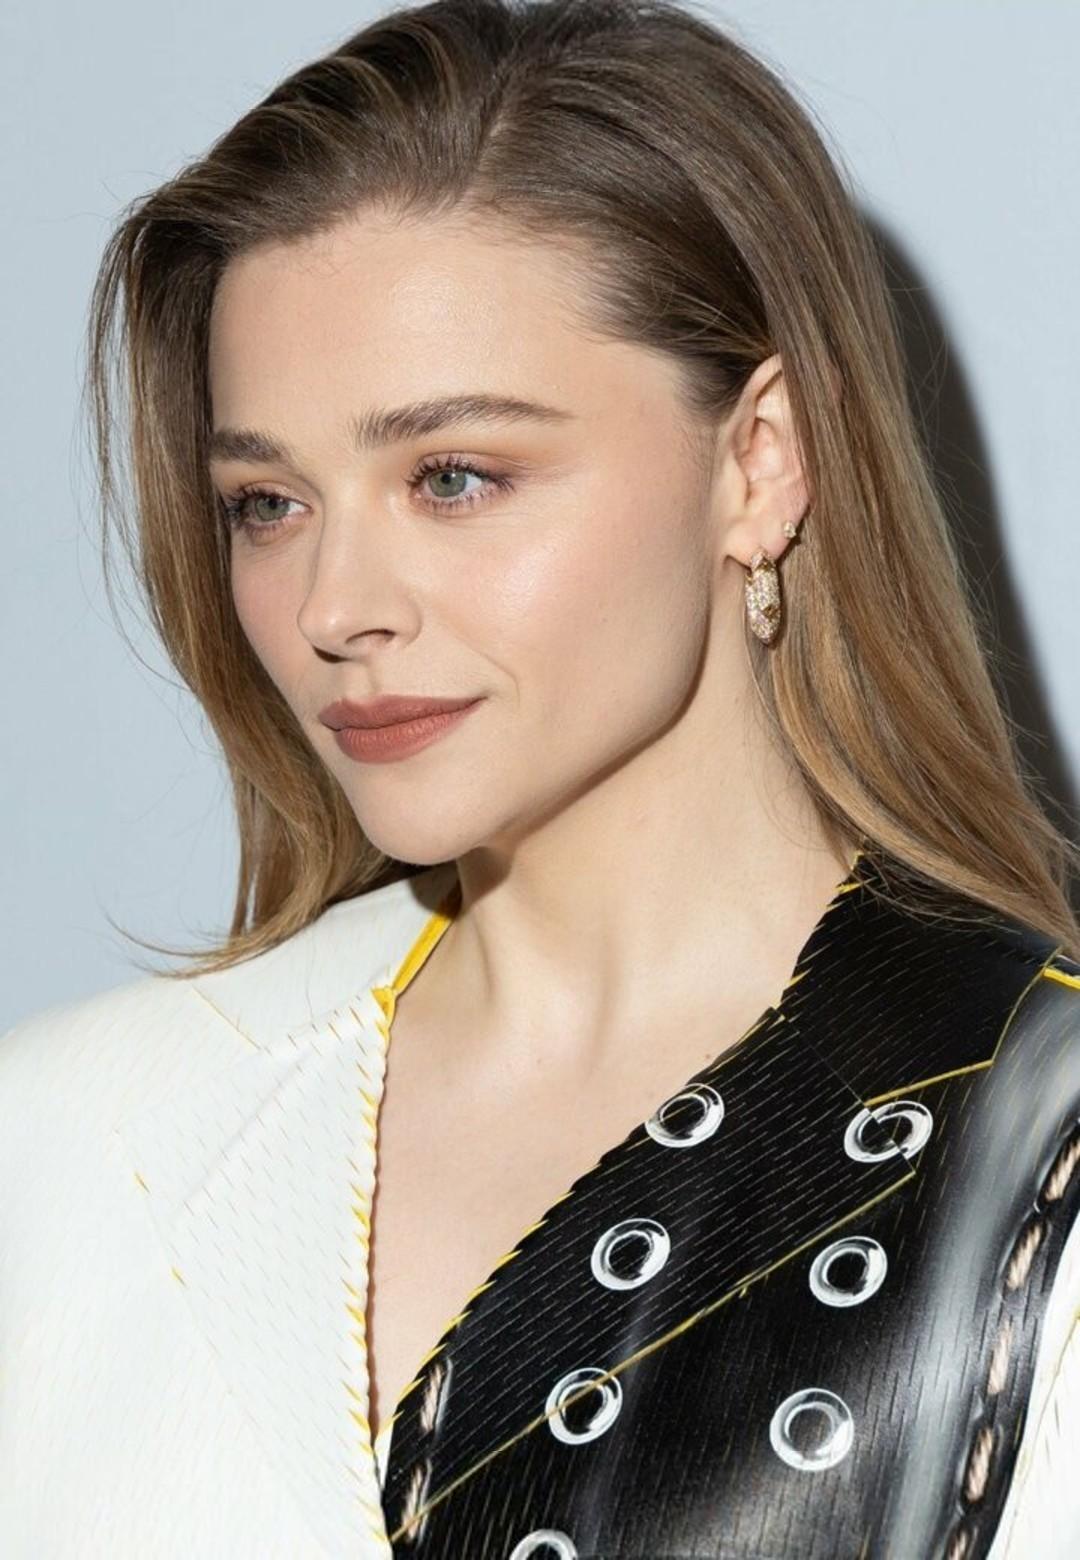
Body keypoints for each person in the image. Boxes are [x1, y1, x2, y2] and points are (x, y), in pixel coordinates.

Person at [3, 0, 1078, 1554]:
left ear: (759, 460)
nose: (331, 608)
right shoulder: (68, 1144)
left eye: (454, 477)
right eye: (267, 503)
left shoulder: (1031, 1143)